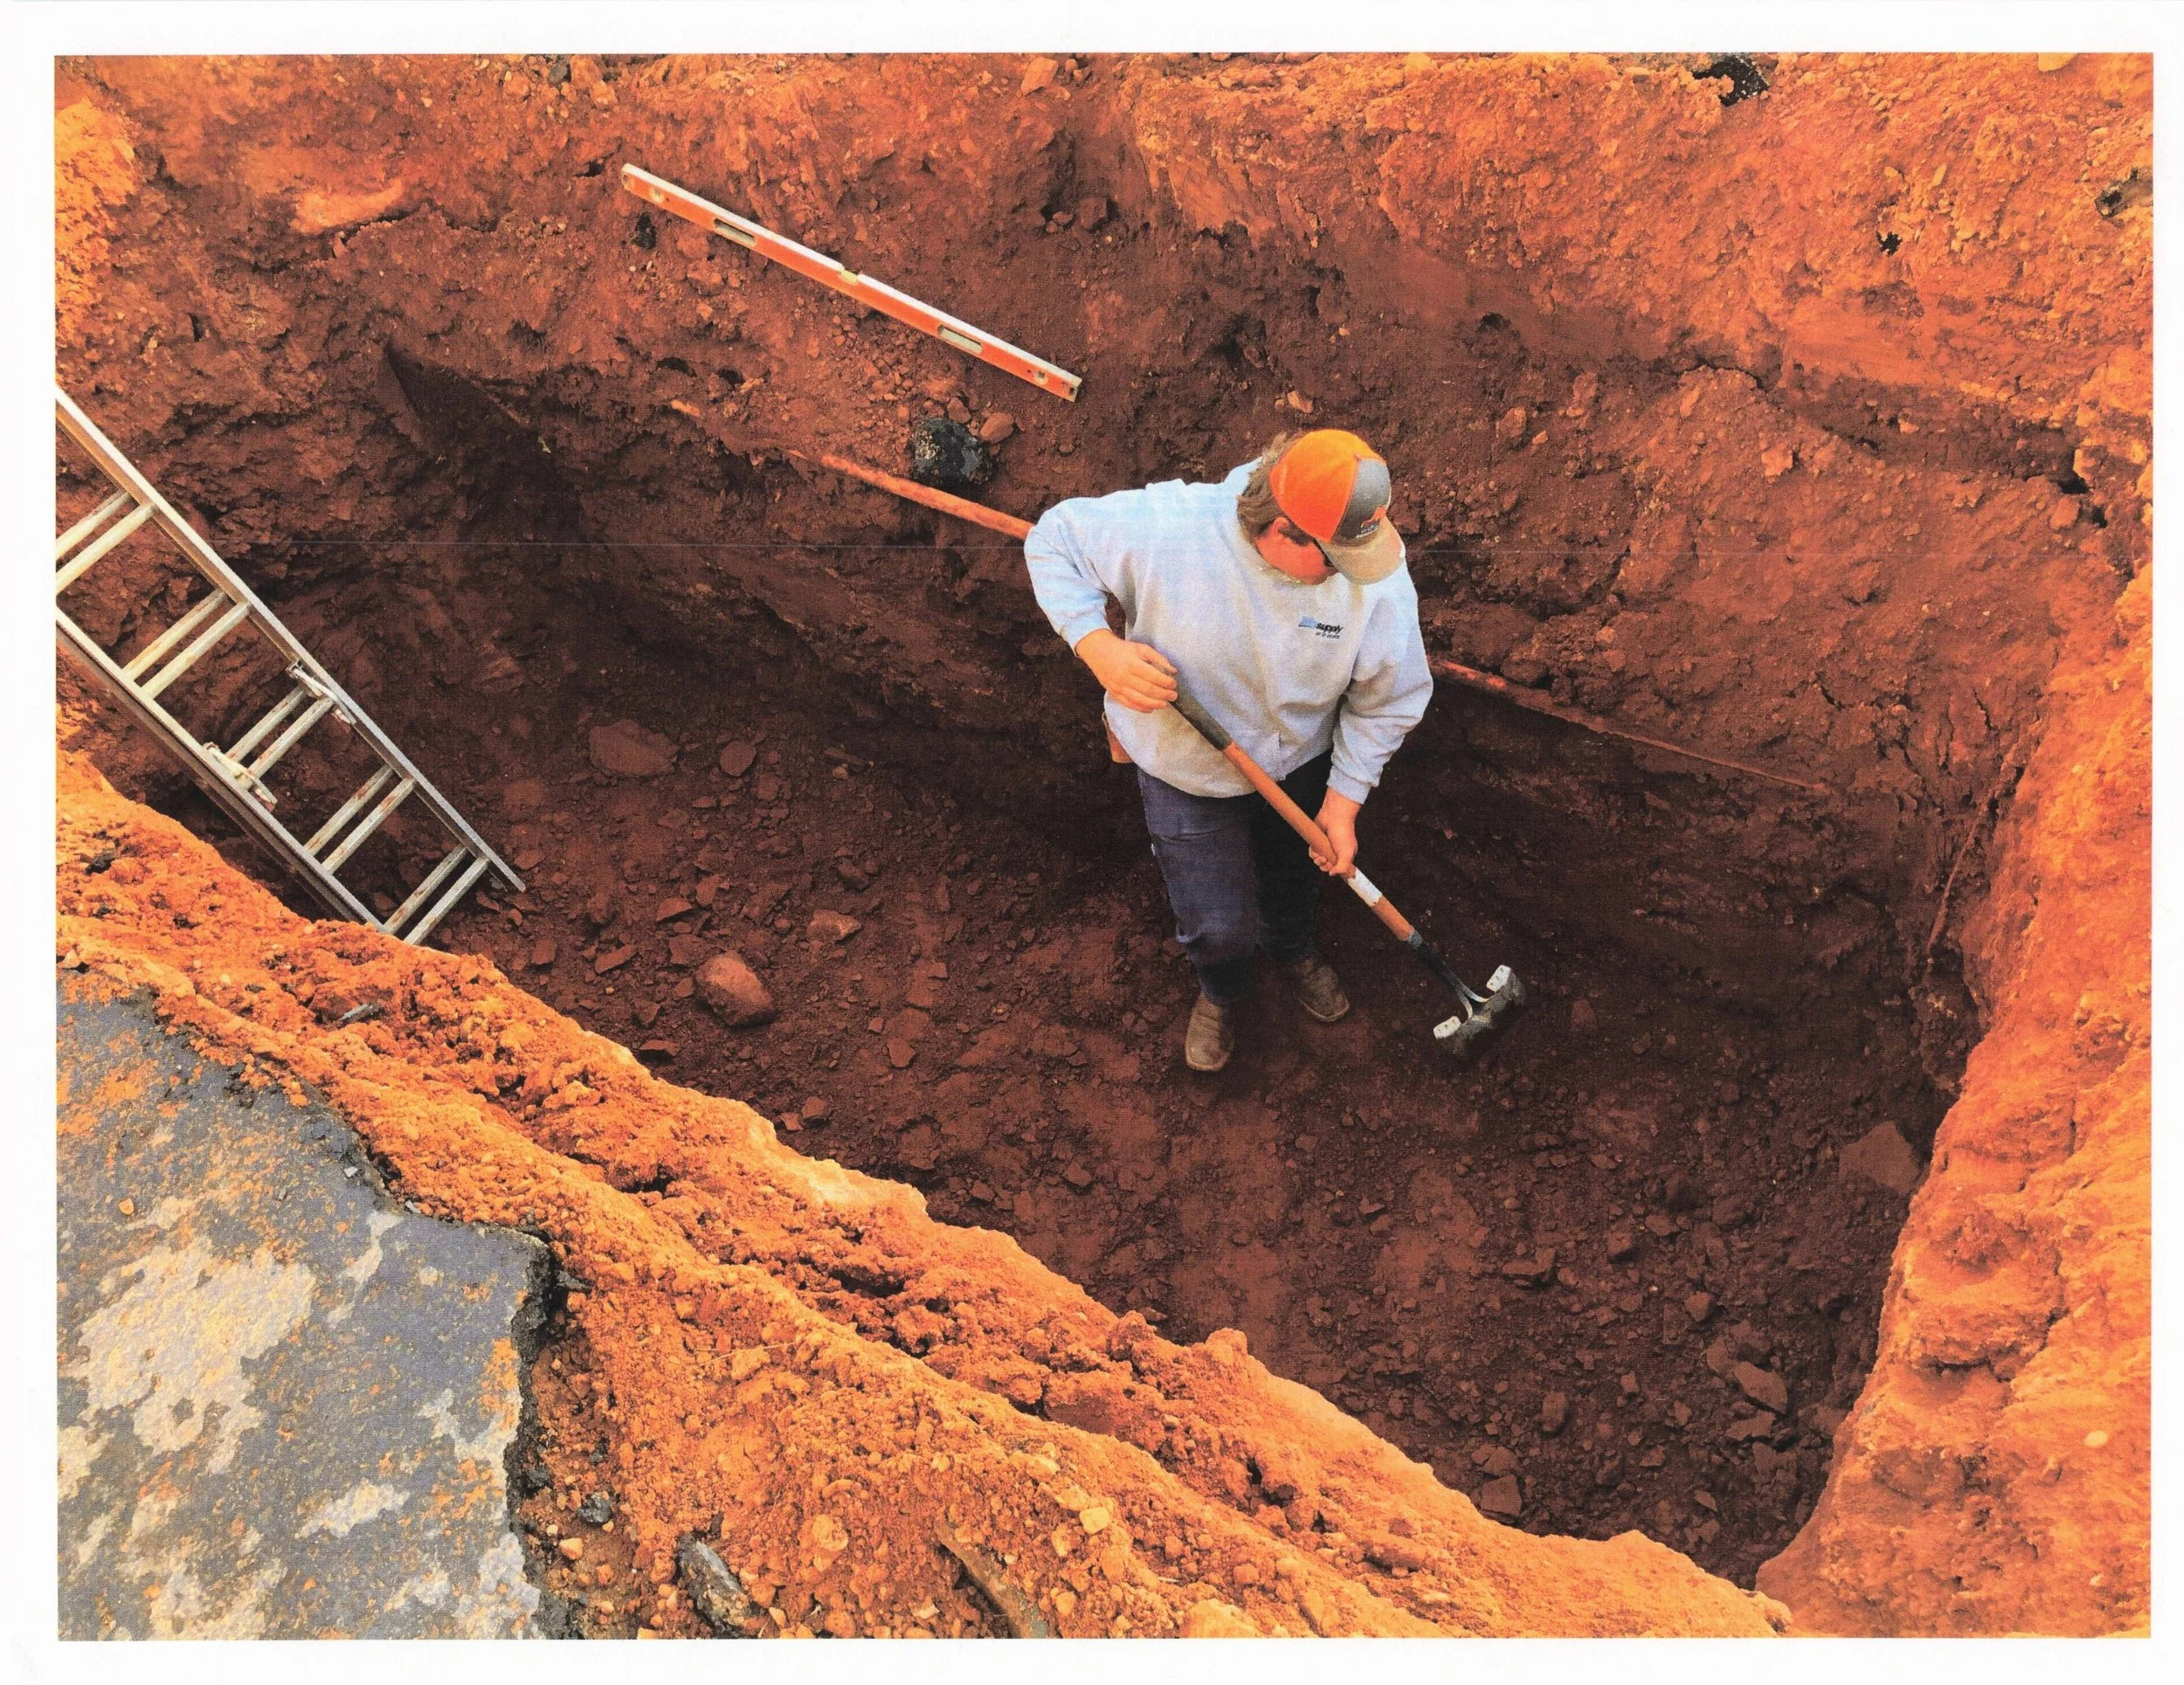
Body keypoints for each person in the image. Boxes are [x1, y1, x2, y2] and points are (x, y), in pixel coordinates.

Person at [1024, 429, 1432, 1073]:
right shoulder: (1173, 529)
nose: (1354, 575)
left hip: (1299, 761)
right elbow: (1055, 538)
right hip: (1183, 767)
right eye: (1334, 559)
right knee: (1218, 928)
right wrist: (1098, 646)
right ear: (1283, 533)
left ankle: (1294, 946)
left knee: (1296, 878)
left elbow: (1389, 696)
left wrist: (1344, 800)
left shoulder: (1369, 573)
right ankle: (1222, 989)